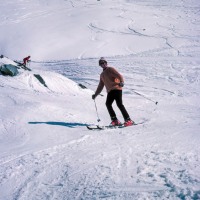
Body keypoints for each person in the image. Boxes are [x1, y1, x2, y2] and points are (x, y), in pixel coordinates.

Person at [92, 57, 134, 127]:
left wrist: (122, 82)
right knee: (108, 104)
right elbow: (100, 86)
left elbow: (119, 75)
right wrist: (95, 94)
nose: (103, 64)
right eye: (101, 63)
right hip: (110, 91)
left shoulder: (110, 69)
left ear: (106, 63)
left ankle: (128, 120)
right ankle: (115, 120)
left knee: (119, 104)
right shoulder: (102, 75)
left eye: (104, 62)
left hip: (117, 89)